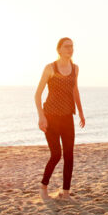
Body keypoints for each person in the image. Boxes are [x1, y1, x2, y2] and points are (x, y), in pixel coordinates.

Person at [33, 37, 85, 201]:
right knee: (56, 155)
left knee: (69, 156)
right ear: (59, 50)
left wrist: (81, 113)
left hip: (68, 117)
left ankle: (66, 193)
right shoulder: (50, 68)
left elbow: (75, 91)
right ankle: (43, 187)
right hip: (51, 117)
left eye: (72, 47)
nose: (70, 49)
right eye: (66, 46)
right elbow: (37, 94)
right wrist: (41, 117)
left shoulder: (75, 69)